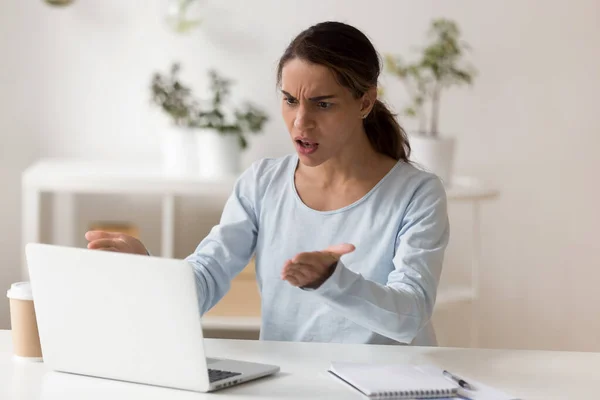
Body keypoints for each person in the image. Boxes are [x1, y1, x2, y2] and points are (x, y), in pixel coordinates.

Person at [85, 21, 449, 346]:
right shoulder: (262, 183)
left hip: (386, 387)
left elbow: (410, 315)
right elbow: (206, 276)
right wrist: (148, 272)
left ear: (365, 102)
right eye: (290, 101)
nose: (299, 123)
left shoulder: (417, 194)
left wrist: (333, 280)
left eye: (322, 105)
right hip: (292, 384)